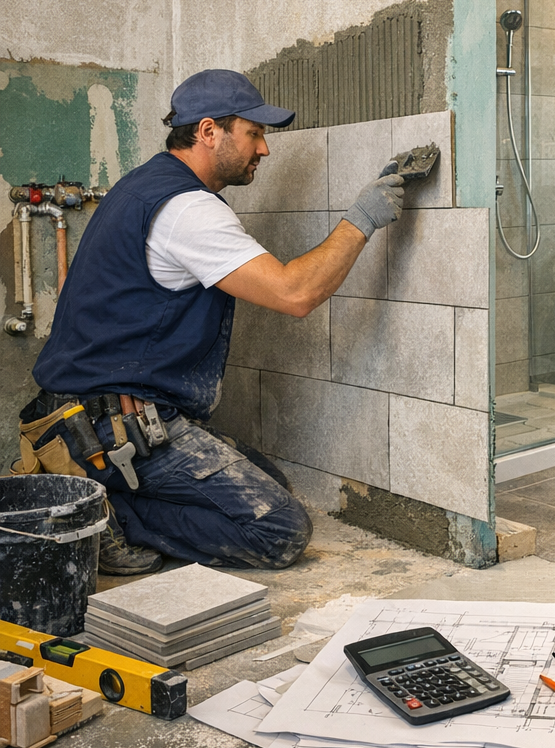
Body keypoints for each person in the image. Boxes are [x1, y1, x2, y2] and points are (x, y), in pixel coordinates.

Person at [17, 69, 404, 575]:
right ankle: (105, 512)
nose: (263, 149)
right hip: (109, 429)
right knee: (278, 529)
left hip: (91, 414)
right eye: (254, 133)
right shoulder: (187, 210)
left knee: (268, 483)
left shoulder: (145, 185)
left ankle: (104, 493)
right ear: (207, 131)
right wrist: (361, 220)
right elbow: (295, 293)